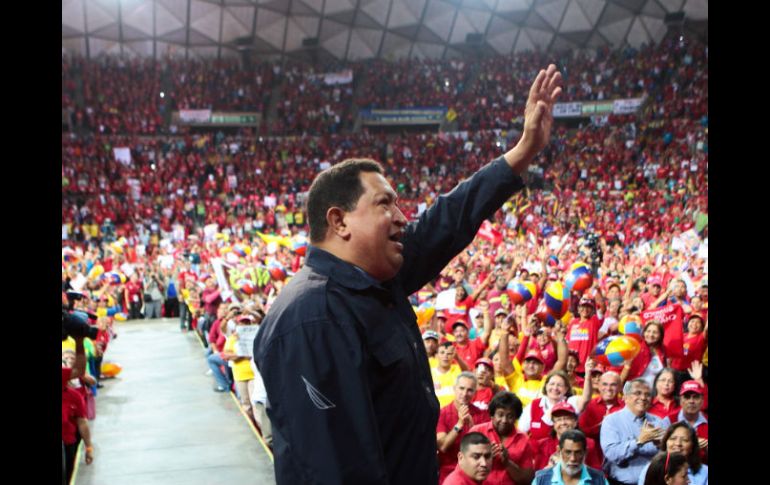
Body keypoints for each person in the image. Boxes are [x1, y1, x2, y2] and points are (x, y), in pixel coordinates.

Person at [253, 64, 563, 485]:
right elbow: (334, 469)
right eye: (385, 204)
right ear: (339, 221)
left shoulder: (376, 281)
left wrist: (522, 152)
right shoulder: (313, 318)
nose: (402, 218)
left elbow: (446, 221)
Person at [601, 378, 667, 485]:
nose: (643, 398)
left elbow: (668, 456)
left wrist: (660, 445)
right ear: (625, 397)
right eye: (638, 393)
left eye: (647, 394)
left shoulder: (658, 422)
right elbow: (612, 454)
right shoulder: (611, 421)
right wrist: (638, 442)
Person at [469, 391, 536, 484]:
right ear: (492, 415)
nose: (504, 420)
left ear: (516, 418)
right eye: (500, 415)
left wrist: (507, 462)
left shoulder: (523, 439)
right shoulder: (477, 431)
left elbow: (528, 479)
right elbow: (463, 468)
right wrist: (486, 457)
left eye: (510, 416)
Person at [437, 372, 491, 483]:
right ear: (454, 389)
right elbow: (443, 446)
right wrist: (459, 424)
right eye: (461, 388)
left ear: (475, 393)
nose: (465, 393)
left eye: (470, 390)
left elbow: (487, 447)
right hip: (448, 474)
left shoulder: (482, 414)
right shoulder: (442, 413)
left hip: (476, 475)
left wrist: (472, 427)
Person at [517, 363, 593, 440]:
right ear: (546, 386)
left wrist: (588, 375)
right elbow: (521, 432)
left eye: (559, 385)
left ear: (566, 389)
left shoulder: (570, 402)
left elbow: (586, 398)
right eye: (552, 384)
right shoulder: (534, 405)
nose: (555, 388)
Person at [531, 403, 603, 471]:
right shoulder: (542, 445)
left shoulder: (589, 444)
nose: (563, 423)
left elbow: (597, 472)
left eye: (567, 418)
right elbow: (538, 474)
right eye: (559, 419)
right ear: (554, 424)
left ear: (575, 422)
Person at [637, 423, 707, 485]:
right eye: (673, 438)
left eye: (685, 440)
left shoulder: (705, 472)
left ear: (692, 446)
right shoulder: (651, 468)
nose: (678, 443)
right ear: (665, 442)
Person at [533, 429, 608, 484]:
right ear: (559, 451)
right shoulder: (541, 479)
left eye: (578, 452)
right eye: (568, 452)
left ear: (585, 452)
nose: (573, 458)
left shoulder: (599, 479)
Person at [662, 380, 708, 464]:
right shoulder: (668, 420)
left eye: (696, 397)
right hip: (673, 469)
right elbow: (662, 450)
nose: (691, 401)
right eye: (687, 397)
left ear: (702, 400)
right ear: (680, 400)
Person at [578, 371, 624, 448]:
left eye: (613, 385)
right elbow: (582, 433)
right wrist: (601, 426)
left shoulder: (626, 407)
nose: (608, 388)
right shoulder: (589, 405)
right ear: (598, 386)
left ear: (620, 387)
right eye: (605, 384)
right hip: (593, 451)